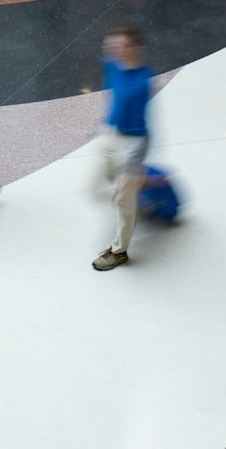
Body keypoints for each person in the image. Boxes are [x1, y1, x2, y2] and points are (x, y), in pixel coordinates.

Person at [92, 23, 151, 271]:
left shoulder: (142, 81)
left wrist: (133, 167)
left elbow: (140, 126)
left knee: (122, 199)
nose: (118, 50)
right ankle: (139, 198)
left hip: (133, 142)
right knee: (93, 189)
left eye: (124, 46)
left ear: (137, 48)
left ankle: (119, 251)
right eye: (115, 45)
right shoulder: (111, 65)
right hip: (111, 135)